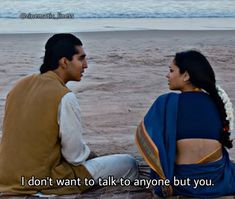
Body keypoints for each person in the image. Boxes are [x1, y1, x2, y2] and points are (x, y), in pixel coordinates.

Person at [0, 33, 138, 195]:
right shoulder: (64, 96)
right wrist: (88, 155)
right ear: (64, 62)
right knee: (129, 164)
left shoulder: (18, 86)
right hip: (40, 180)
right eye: (81, 59)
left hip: (6, 177)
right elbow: (74, 156)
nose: (85, 65)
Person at [136, 50, 235, 197]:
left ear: (186, 76)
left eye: (171, 70)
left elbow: (147, 139)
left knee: (147, 161)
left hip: (183, 185)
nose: (167, 75)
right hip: (218, 181)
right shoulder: (217, 103)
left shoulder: (167, 102)